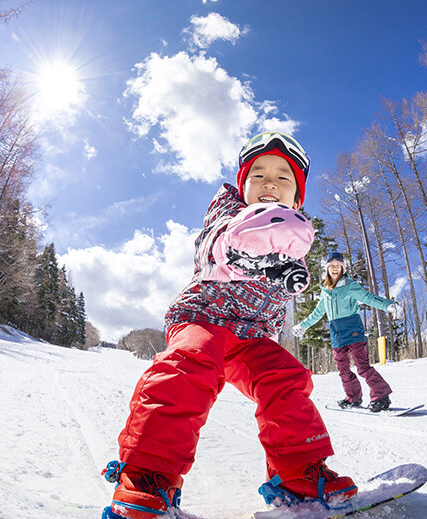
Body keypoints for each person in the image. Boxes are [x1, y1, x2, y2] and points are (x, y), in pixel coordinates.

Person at [102, 133, 358, 519]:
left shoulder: (295, 248)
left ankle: (300, 476)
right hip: (202, 319)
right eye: (258, 174)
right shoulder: (227, 215)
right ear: (243, 185)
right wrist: (237, 250)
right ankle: (147, 478)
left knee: (286, 377)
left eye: (283, 178)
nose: (269, 182)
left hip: (250, 338)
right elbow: (210, 245)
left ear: (297, 199)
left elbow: (291, 288)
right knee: (188, 366)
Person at [293, 252, 396, 412]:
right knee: (343, 370)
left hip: (353, 329)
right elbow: (318, 313)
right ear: (327, 269)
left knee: (362, 367)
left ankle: (381, 396)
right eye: (331, 266)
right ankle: (353, 397)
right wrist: (303, 325)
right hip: (336, 334)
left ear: (342, 268)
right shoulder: (325, 291)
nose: (335, 269)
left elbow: (368, 297)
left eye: (338, 266)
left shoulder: (350, 286)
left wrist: (388, 305)